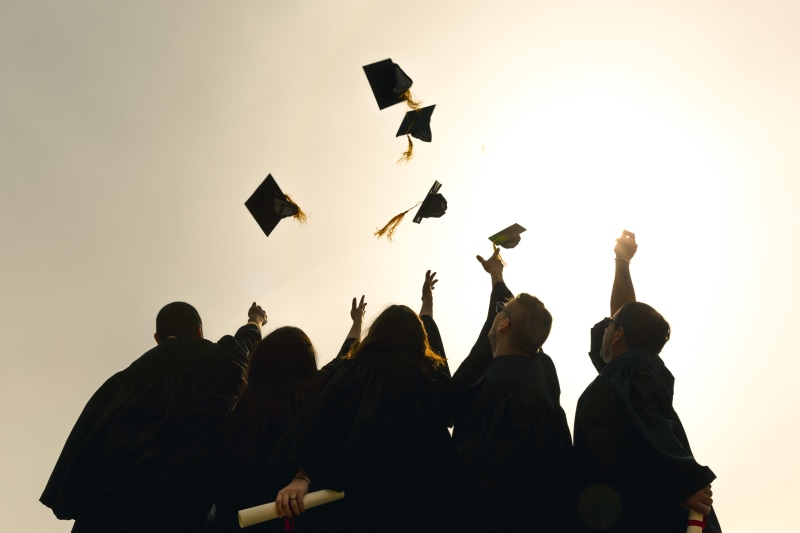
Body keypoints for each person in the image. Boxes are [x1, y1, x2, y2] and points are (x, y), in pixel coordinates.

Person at [40, 301, 267, 533]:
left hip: (109, 509)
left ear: (158, 338)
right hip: (182, 507)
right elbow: (247, 345)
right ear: (199, 331)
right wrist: (255, 321)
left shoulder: (119, 384)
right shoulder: (222, 361)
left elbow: (85, 447)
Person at [272, 271, 455, 533]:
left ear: (377, 332)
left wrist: (303, 476)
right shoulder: (431, 376)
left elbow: (326, 421)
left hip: (371, 497)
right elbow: (449, 411)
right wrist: (427, 304)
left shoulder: (357, 370)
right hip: (430, 502)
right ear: (419, 338)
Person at [573, 230, 722, 532]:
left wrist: (683, 480)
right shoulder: (629, 370)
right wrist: (621, 262)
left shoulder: (628, 374)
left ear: (617, 336)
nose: (604, 327)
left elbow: (647, 425)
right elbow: (623, 316)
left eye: (609, 327)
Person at [210, 297, 367, 532]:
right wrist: (357, 322)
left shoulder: (242, 409)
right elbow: (346, 357)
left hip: (250, 514)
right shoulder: (318, 390)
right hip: (309, 512)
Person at [449, 245, 573, 532]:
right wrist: (496, 274)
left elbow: (487, 488)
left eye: (500, 312)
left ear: (503, 324)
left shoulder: (504, 395)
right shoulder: (541, 375)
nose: (495, 315)